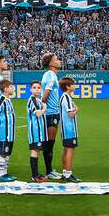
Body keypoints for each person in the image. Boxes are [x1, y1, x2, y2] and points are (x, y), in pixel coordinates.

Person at [40, 52, 62, 180]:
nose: (59, 61)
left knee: (49, 144)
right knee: (49, 144)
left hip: (51, 112)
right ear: (51, 63)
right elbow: (45, 95)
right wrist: (43, 107)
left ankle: (49, 169)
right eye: (56, 59)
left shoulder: (49, 75)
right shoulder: (51, 76)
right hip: (51, 113)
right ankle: (49, 171)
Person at [0, 79, 16, 182]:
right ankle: (1, 174)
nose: (13, 88)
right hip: (3, 133)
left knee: (6, 153)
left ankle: (5, 173)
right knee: (2, 153)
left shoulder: (8, 100)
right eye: (11, 86)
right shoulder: (2, 100)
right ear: (6, 89)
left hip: (9, 133)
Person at [59, 77, 81, 182]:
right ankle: (68, 174)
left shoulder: (65, 97)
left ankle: (65, 173)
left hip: (66, 129)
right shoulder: (66, 98)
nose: (74, 86)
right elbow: (70, 114)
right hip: (69, 129)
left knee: (66, 149)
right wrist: (76, 110)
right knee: (70, 150)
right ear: (68, 87)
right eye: (73, 84)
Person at [27, 80, 49, 182]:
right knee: (34, 151)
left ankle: (36, 174)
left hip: (40, 132)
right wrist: (44, 108)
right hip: (35, 131)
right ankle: (34, 175)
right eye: (34, 88)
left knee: (37, 151)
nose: (36, 90)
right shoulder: (32, 100)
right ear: (31, 89)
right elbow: (38, 114)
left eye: (38, 88)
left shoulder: (39, 100)